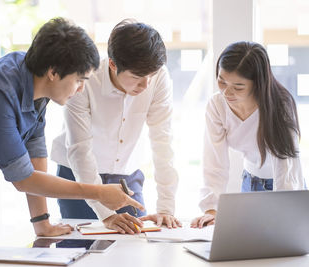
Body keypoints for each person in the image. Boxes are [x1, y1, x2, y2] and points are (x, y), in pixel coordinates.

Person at [0, 17, 144, 267]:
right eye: (79, 80)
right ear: (53, 72)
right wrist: (98, 192)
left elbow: (34, 154)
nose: (80, 90)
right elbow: (23, 179)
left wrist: (41, 222)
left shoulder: (35, 80)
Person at [51, 19, 181, 235]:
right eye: (137, 77)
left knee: (136, 246)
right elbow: (80, 149)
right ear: (112, 64)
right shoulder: (84, 79)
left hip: (126, 176)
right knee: (80, 251)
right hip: (77, 175)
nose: (146, 85)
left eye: (150, 76)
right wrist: (107, 214)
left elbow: (162, 140)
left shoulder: (158, 78)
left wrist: (166, 207)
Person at [191, 41, 306, 228]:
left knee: (284, 246)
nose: (227, 92)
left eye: (238, 87)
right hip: (251, 183)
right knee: (250, 249)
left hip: (286, 186)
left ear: (257, 84)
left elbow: (286, 167)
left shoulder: (280, 104)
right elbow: (215, 162)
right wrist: (211, 209)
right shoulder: (217, 105)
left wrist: (285, 214)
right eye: (222, 81)